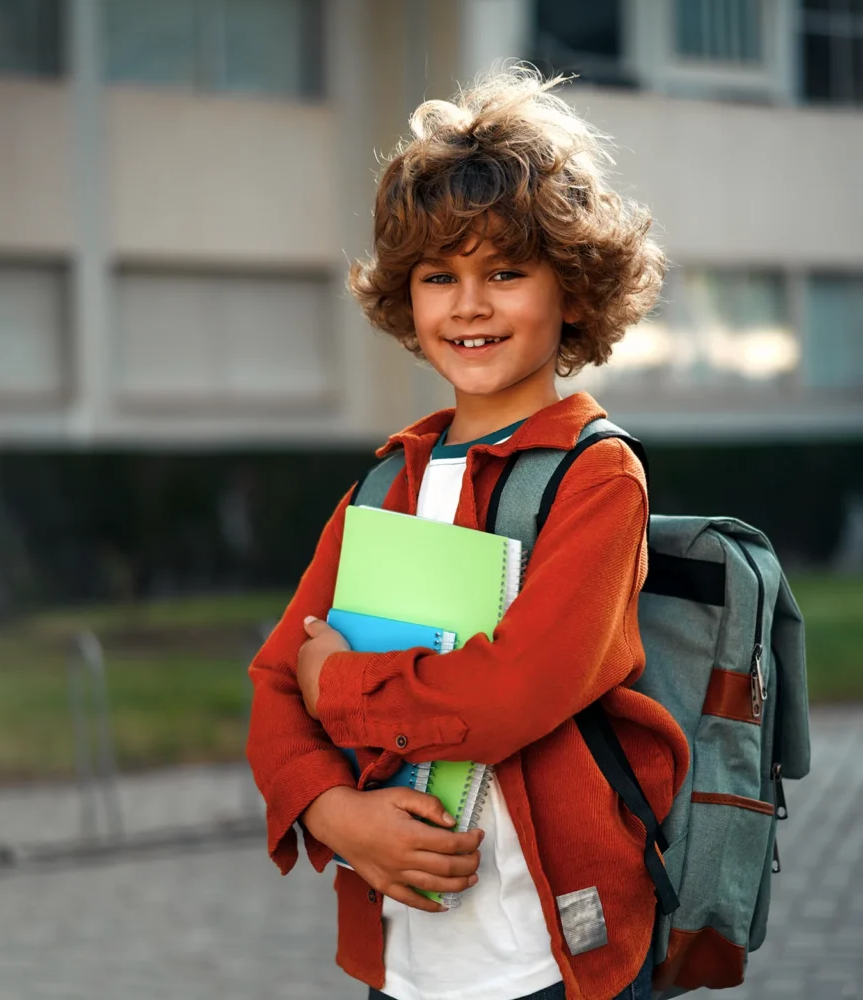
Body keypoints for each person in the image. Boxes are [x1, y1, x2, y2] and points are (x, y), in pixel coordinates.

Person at [245, 66, 689, 1000]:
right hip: (407, 959)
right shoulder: (385, 481)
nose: (469, 304)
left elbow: (510, 695)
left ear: (571, 289)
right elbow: (275, 681)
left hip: (556, 956)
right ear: (407, 299)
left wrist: (342, 689)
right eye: (439, 275)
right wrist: (332, 814)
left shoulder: (597, 478)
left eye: (505, 272)